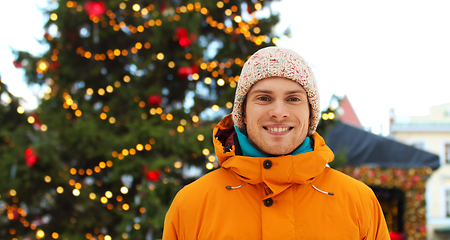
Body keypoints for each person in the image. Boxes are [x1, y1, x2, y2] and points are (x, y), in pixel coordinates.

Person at [162, 47, 389, 239]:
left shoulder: (359, 202)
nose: (279, 113)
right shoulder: (191, 205)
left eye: (293, 99)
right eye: (264, 98)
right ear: (243, 111)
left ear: (310, 114)